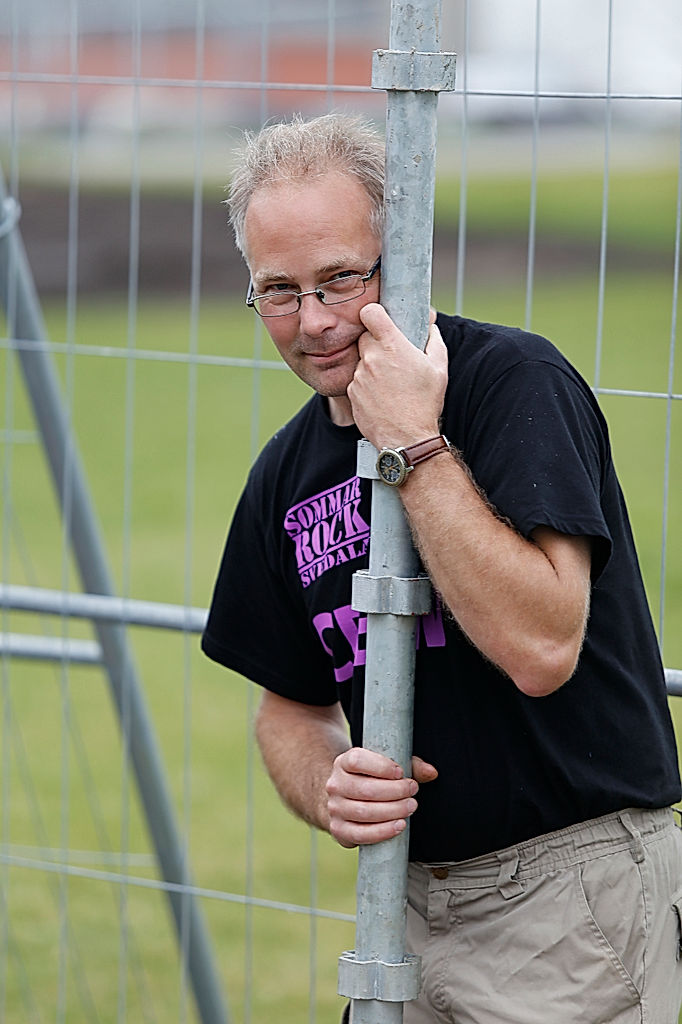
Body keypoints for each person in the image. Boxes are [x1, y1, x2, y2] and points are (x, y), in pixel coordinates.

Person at [202, 112, 682, 1023]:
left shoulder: (515, 386)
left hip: (570, 898)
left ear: (406, 251)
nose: (314, 323)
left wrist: (413, 443)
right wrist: (328, 783)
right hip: (404, 907)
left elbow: (542, 647)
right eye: (278, 290)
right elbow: (289, 711)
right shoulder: (284, 475)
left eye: (342, 278)